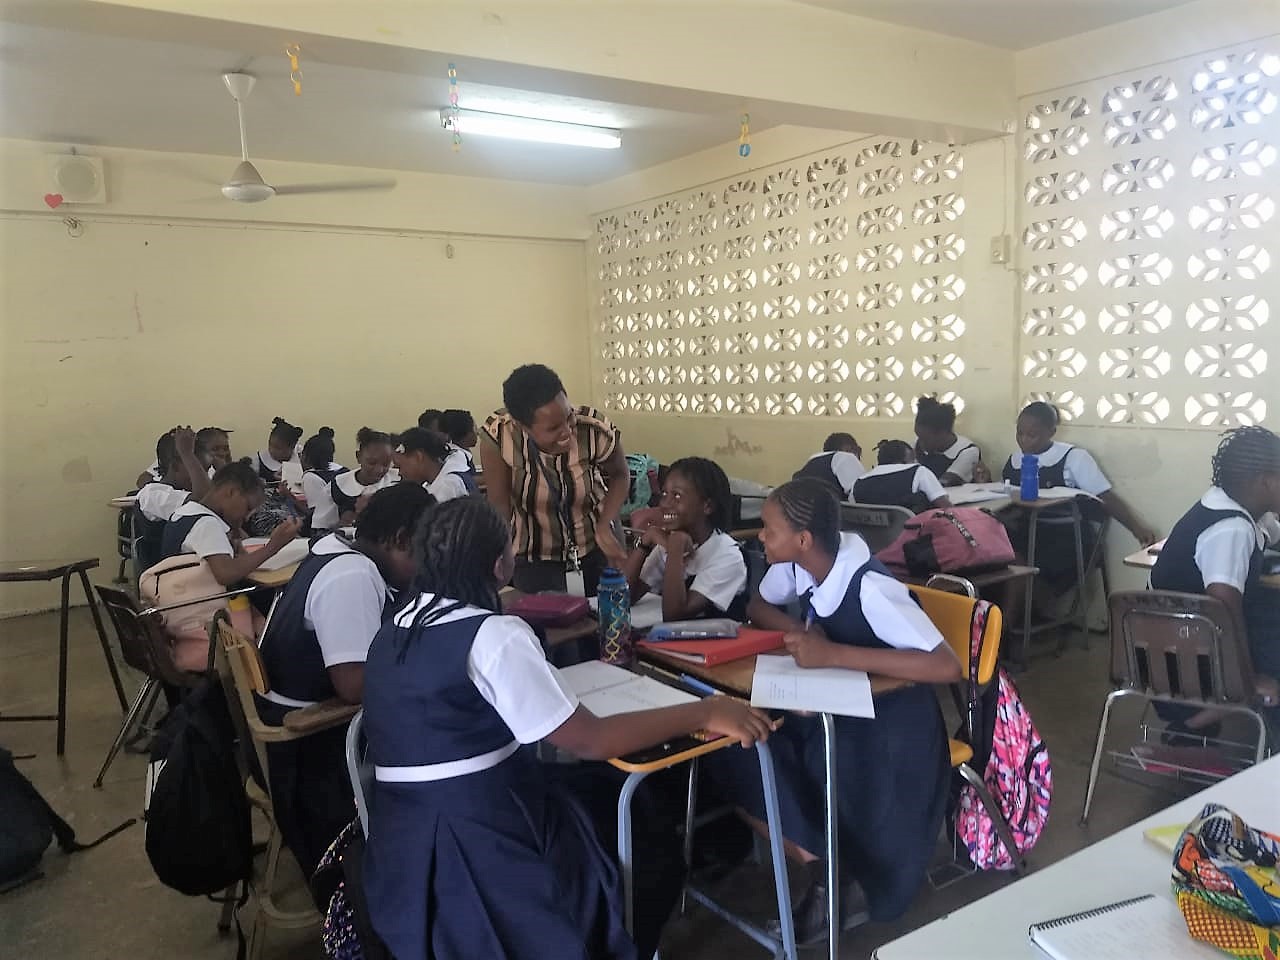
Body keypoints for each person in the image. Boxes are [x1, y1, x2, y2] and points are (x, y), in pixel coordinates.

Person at [360, 497, 775, 960]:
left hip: (404, 831)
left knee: (601, 792)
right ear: (499, 565)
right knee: (647, 840)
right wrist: (705, 711)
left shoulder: (399, 621)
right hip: (480, 830)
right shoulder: (492, 636)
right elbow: (590, 740)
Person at [705, 479, 957, 944]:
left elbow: (946, 665)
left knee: (802, 756)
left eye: (768, 529)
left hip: (891, 731)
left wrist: (833, 654)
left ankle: (840, 877)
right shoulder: (800, 566)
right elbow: (759, 604)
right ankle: (822, 864)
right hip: (835, 708)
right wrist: (802, 639)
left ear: (803, 539)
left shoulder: (872, 587)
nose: (760, 537)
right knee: (738, 746)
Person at [256, 483, 434, 883]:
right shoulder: (351, 576)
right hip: (315, 752)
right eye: (424, 554)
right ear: (402, 540)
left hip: (288, 727)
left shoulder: (335, 551)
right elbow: (353, 687)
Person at [1151, 427, 1280, 732]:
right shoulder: (1231, 529)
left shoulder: (1230, 503)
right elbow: (1222, 612)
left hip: (1174, 645)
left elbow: (1272, 533)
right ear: (1266, 482)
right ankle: (1199, 722)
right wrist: (1247, 680)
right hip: (1186, 665)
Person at [481, 364, 631, 594]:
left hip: (598, 542)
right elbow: (500, 505)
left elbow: (620, 476)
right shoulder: (499, 436)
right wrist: (498, 553)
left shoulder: (594, 430)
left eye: (569, 416)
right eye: (553, 428)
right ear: (522, 426)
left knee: (607, 614)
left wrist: (605, 524)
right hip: (534, 551)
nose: (567, 431)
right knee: (547, 622)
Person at [1000, 401, 1157, 589]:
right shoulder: (1014, 461)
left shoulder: (1073, 457)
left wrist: (1136, 528)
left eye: (1032, 435)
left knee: (1014, 561)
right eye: (1020, 433)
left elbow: (1105, 497)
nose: (1024, 440)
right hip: (1025, 532)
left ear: (1051, 432)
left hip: (1065, 539)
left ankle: (1015, 617)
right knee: (992, 556)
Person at [622, 457, 747, 621]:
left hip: (719, 643)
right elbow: (623, 598)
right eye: (664, 493)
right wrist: (645, 544)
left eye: (677, 496)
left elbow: (674, 616)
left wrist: (675, 551)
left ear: (707, 506)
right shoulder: (671, 540)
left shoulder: (727, 555)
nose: (665, 503)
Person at [161, 461, 302, 586]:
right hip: (201, 607)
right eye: (248, 508)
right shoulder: (207, 524)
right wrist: (274, 545)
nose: (246, 518)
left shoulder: (185, 512)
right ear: (231, 492)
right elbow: (226, 574)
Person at [135, 427, 214, 571]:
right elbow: (206, 501)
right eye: (197, 469)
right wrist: (188, 454)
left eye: (206, 470)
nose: (204, 477)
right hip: (170, 579)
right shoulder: (152, 494)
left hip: (200, 569)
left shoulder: (187, 491)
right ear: (176, 466)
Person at [852, 440, 951, 513]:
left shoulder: (859, 481)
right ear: (909, 456)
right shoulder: (918, 471)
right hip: (913, 538)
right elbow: (947, 509)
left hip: (867, 540)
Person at [331, 428, 395, 526]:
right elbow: (320, 529)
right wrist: (344, 523)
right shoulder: (338, 485)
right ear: (358, 456)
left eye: (386, 464)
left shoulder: (399, 482)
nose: (379, 470)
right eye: (372, 463)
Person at [392, 427, 471, 503]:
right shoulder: (437, 480)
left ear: (418, 457)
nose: (400, 473)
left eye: (400, 467)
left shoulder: (448, 486)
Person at [913, 397, 980, 486]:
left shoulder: (967, 451)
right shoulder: (917, 445)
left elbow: (942, 484)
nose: (920, 443)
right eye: (918, 436)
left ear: (942, 433)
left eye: (925, 439)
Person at [299, 427, 348, 532]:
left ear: (306, 456)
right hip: (348, 527)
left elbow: (315, 514)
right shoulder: (345, 471)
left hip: (326, 530)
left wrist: (290, 497)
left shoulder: (310, 477)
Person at [793, 432, 865, 501]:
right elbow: (859, 493)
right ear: (850, 449)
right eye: (858, 450)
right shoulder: (845, 457)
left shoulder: (811, 463)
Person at [251, 417, 304, 482]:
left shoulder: (301, 456)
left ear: (292, 447)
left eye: (278, 448)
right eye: (270, 444)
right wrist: (271, 477)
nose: (272, 450)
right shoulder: (258, 461)